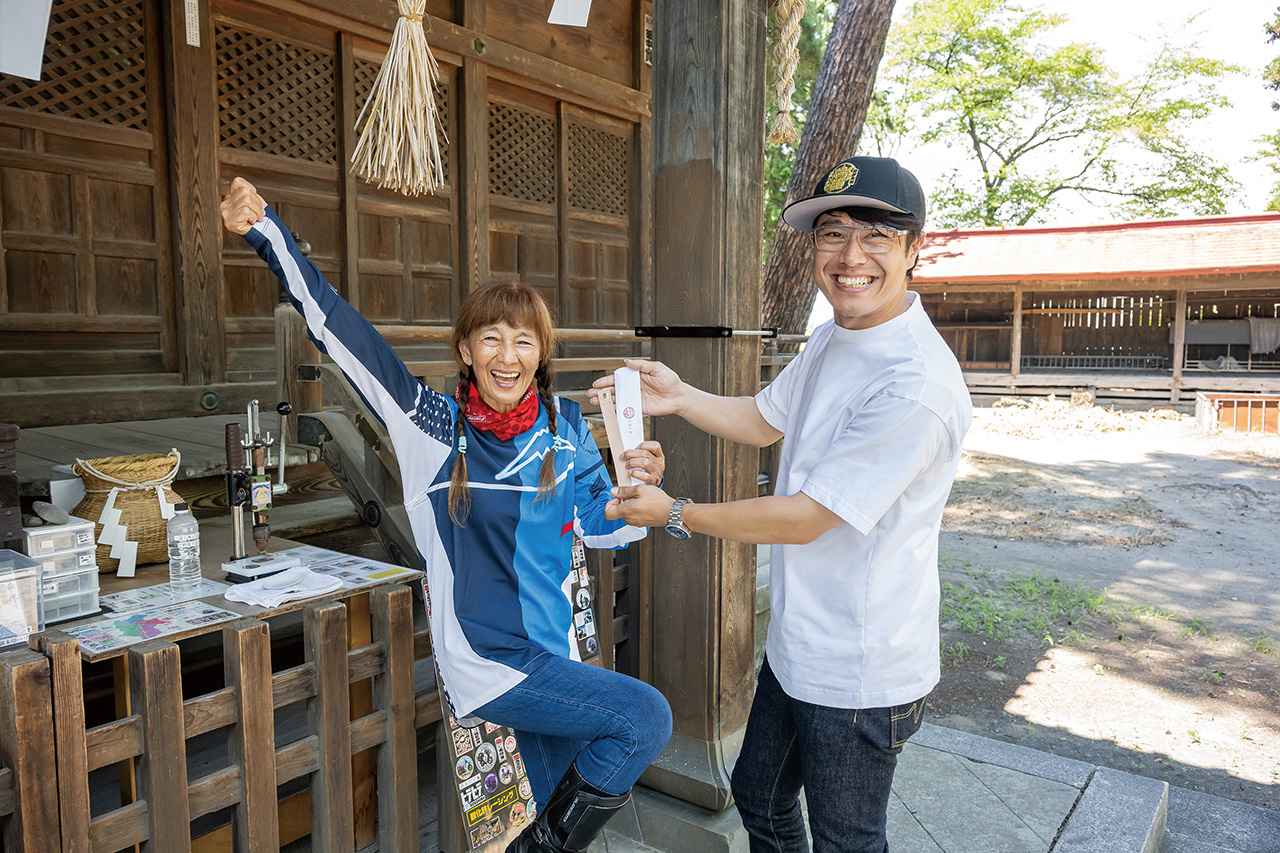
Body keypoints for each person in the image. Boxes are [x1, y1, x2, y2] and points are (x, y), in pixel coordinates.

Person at [220, 177, 672, 853]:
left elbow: (599, 522)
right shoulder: (433, 426)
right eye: (491, 338)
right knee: (645, 716)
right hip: (490, 660)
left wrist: (637, 497)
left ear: (541, 353)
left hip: (553, 656)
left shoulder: (565, 425)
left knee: (559, 816)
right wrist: (267, 230)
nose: (507, 356)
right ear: (465, 349)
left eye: (523, 341)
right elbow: (340, 327)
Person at [600, 156, 972, 852]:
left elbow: (807, 516)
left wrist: (674, 512)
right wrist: (679, 396)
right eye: (831, 234)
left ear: (914, 248)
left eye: (876, 236)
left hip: (861, 668)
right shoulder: (836, 335)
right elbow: (766, 417)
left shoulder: (915, 382)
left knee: (847, 841)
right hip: (801, 644)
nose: (849, 256)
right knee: (761, 799)